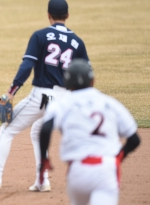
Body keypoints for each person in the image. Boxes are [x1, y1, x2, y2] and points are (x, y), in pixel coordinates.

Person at [0, 0, 89, 191]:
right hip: (65, 99)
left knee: (6, 130)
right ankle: (42, 181)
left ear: (48, 15)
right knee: (37, 131)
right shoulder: (78, 42)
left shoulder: (40, 35)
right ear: (67, 16)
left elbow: (27, 66)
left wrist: (9, 94)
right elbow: (86, 74)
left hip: (42, 95)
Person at [38, 59, 141, 205]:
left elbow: (46, 129)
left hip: (77, 171)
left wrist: (44, 159)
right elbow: (135, 139)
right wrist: (120, 156)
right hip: (106, 170)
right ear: (92, 80)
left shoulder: (61, 103)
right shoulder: (109, 102)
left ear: (67, 83)